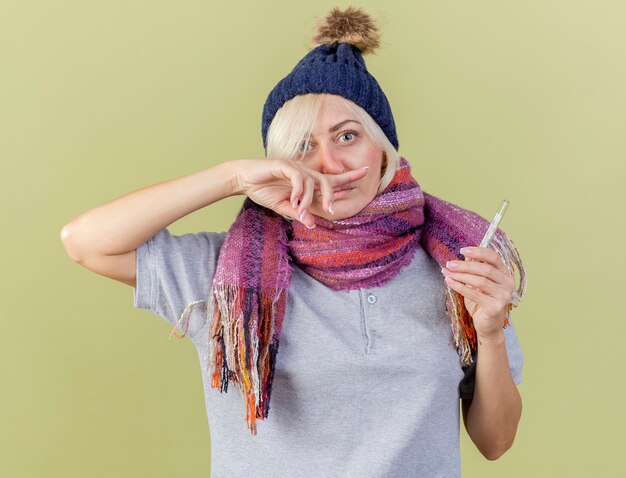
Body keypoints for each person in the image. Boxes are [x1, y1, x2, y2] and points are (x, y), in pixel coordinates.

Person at [60, 6, 527, 477]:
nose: (330, 163)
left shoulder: (456, 268)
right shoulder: (226, 275)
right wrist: (234, 177)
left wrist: (488, 334)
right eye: (304, 145)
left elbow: (495, 442)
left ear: (383, 148)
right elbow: (85, 242)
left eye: (347, 136)